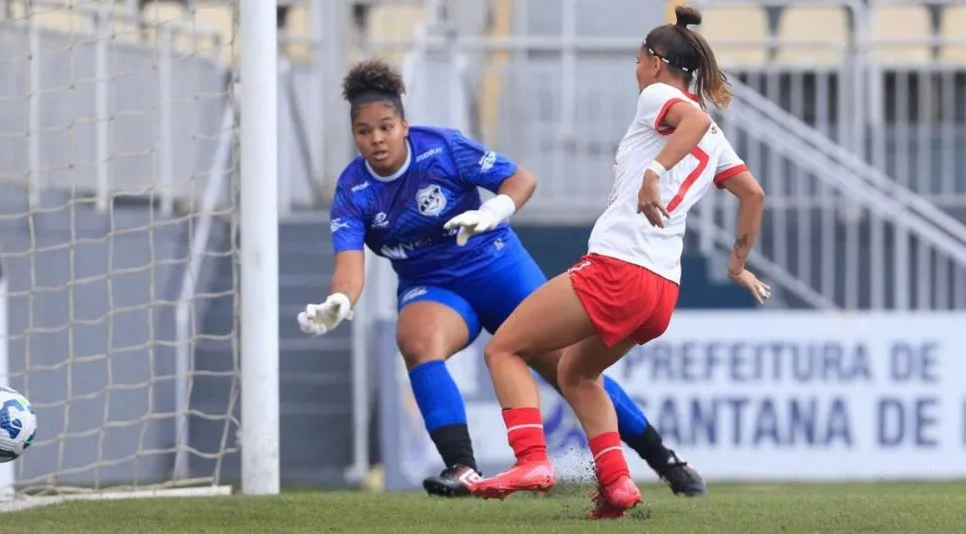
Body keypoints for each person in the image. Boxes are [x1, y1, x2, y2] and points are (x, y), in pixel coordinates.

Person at [296, 58, 707, 498]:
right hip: (433, 286)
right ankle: (461, 466)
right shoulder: (353, 190)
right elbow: (349, 267)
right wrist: (340, 300)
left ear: (404, 125)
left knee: (569, 369)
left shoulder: (443, 148)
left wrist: (493, 210)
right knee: (416, 342)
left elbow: (520, 179)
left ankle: (663, 458)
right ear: (354, 134)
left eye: (386, 126)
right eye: (364, 131)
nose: (376, 139)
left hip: (498, 269)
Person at [468, 4, 770, 519]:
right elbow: (754, 195)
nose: (635, 70)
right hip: (661, 291)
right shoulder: (714, 138)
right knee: (576, 374)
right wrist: (738, 265)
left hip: (619, 267)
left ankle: (531, 460)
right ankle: (618, 486)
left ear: (656, 61)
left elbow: (691, 118)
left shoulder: (661, 97)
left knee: (504, 350)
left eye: (637, 60)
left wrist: (654, 170)